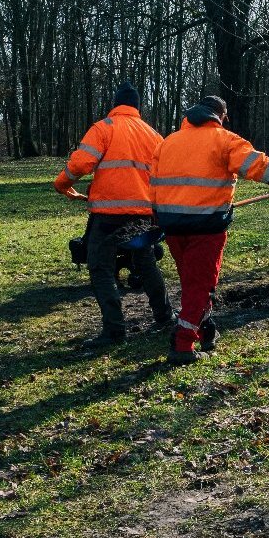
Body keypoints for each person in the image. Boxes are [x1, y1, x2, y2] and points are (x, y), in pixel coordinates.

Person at [149, 96, 269, 358]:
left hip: (172, 226)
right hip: (207, 226)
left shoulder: (167, 143)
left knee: (193, 283)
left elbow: (153, 186)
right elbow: (260, 167)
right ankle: (183, 343)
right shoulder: (225, 140)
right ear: (220, 116)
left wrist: (157, 217)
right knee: (200, 285)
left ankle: (206, 329)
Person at [54, 83, 170, 347]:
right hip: (143, 213)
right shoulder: (154, 135)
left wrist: (62, 184)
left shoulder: (104, 128)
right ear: (137, 107)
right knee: (146, 263)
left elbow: (81, 163)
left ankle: (115, 329)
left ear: (115, 104)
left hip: (108, 214)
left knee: (100, 267)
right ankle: (164, 316)